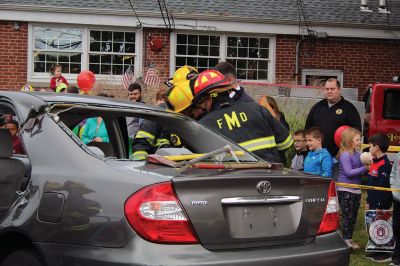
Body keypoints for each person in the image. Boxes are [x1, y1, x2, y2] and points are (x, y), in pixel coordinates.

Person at [193, 69, 293, 163]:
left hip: (235, 180)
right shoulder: (257, 109)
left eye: (203, 101)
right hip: (268, 177)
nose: (203, 106)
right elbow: (286, 143)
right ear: (227, 89)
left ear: (209, 99)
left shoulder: (204, 124)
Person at [131, 66, 199, 160]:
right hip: (161, 170)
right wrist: (141, 166)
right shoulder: (159, 113)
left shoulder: (199, 112)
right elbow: (141, 145)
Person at [305, 78, 361, 157]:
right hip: (317, 155)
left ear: (339, 90)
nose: (329, 91)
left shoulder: (349, 108)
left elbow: (357, 132)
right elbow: (307, 129)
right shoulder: (317, 107)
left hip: (339, 156)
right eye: (327, 89)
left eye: (332, 89)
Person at [336, 127, 368, 250]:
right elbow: (349, 172)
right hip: (345, 189)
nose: (360, 142)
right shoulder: (345, 155)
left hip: (356, 190)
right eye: (357, 140)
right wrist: (365, 168)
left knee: (353, 216)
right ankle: (345, 239)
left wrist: (367, 162)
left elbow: (361, 169)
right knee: (347, 215)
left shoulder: (357, 154)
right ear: (349, 141)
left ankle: (348, 238)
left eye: (360, 139)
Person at [365, 133, 392, 262]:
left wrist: (380, 204)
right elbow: (371, 184)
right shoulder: (374, 162)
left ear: (376, 147)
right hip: (373, 201)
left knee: (382, 226)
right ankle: (376, 249)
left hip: (381, 202)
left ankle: (385, 252)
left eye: (370, 146)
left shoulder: (385, 164)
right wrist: (368, 200)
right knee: (373, 225)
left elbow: (383, 186)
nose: (368, 149)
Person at [390, 152, 400, 266]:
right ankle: (397, 255)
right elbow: (393, 173)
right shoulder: (399, 155)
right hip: (397, 199)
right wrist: (394, 189)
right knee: (396, 227)